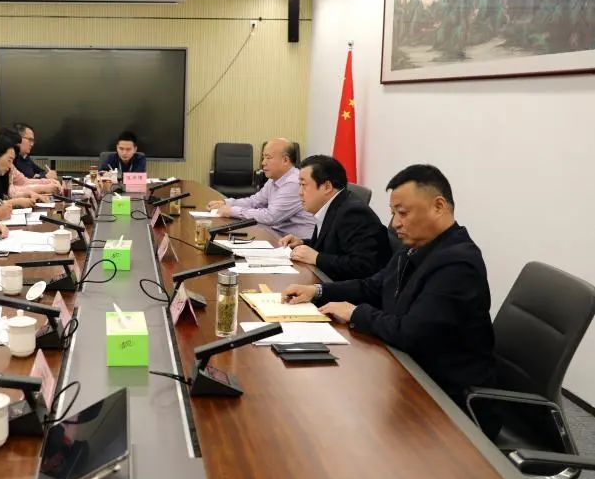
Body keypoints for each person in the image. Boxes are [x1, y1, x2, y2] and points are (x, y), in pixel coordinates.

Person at [281, 164, 495, 407]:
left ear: (438, 206)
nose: (395, 224)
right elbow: (374, 286)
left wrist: (355, 313)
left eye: (403, 213)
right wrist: (317, 291)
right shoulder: (416, 246)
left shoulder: (457, 264)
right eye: (393, 213)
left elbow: (411, 333)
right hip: (407, 371)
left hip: (447, 397)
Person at [278, 155, 391, 281]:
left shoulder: (353, 213)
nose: (299, 192)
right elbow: (333, 247)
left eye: (303, 185)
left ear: (327, 187)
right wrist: (302, 243)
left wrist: (317, 258)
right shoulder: (333, 205)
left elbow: (363, 266)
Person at [207, 138, 314, 238]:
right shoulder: (274, 178)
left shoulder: (294, 182)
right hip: (278, 235)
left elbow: (270, 217)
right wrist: (227, 203)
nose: (263, 163)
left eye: (268, 158)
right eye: (263, 158)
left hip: (297, 243)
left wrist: (232, 211)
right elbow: (255, 201)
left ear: (285, 160)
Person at [0, 135, 43, 209]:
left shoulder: (0, 177)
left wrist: (27, 195)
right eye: (9, 160)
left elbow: (7, 196)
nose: (10, 166)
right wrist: (15, 202)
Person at [0, 127, 59, 197]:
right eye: (30, 140)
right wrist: (43, 188)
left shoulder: (24, 158)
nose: (32, 144)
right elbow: (10, 192)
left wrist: (49, 182)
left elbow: (24, 181)